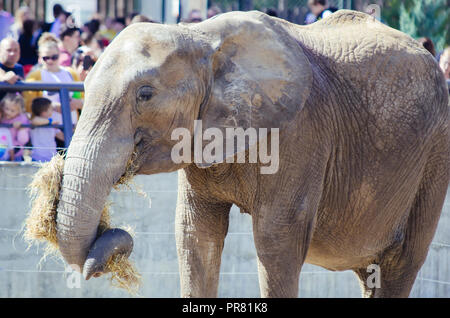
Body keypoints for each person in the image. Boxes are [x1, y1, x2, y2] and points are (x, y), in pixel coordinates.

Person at [23, 33, 83, 126]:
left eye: (54, 57)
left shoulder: (71, 73)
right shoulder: (34, 76)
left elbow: (82, 98)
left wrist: (78, 103)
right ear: (40, 57)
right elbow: (28, 107)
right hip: (47, 130)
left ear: (59, 54)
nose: (50, 61)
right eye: (46, 58)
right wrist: (51, 107)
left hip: (72, 127)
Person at [30, 97, 64, 162]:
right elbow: (35, 121)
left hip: (51, 158)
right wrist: (50, 122)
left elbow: (61, 136)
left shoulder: (51, 123)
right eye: (51, 109)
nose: (52, 111)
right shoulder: (35, 121)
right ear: (44, 111)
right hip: (37, 158)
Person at [0, 93, 30, 160]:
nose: (8, 112)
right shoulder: (2, 117)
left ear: (19, 111)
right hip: (2, 152)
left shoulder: (22, 119)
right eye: (6, 108)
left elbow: (23, 140)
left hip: (16, 153)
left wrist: (21, 129)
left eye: (12, 111)